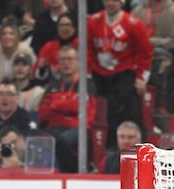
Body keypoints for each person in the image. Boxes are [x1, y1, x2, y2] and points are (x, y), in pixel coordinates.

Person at [87, 0, 153, 149]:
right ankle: (107, 150)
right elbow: (87, 50)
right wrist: (87, 74)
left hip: (124, 72)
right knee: (99, 106)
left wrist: (142, 77)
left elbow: (146, 52)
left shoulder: (133, 23)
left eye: (115, 0)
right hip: (99, 74)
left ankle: (141, 148)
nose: (111, 3)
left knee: (128, 103)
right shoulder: (92, 22)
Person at [38, 45, 96, 173]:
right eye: (63, 60)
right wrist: (67, 103)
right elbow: (43, 112)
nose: (66, 63)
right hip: (55, 127)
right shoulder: (52, 85)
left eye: (69, 59)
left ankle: (70, 172)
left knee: (63, 140)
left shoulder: (86, 84)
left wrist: (56, 105)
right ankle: (54, 174)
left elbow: (81, 107)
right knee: (41, 139)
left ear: (78, 62)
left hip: (78, 128)